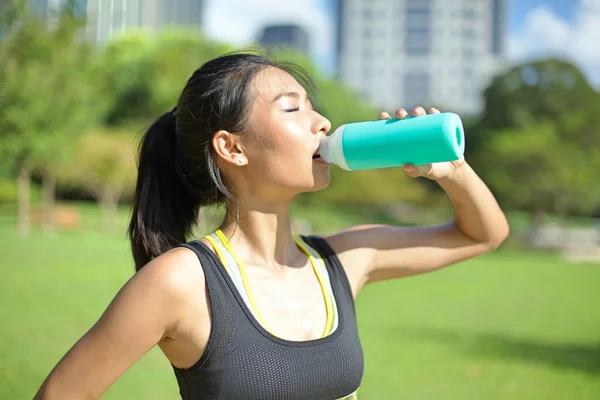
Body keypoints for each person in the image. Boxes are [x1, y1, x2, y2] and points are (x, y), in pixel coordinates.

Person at [34, 52, 509, 400]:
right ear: (232, 148)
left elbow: (482, 234)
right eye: (292, 108)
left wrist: (453, 172)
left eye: (311, 106)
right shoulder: (181, 282)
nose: (322, 121)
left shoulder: (342, 260)